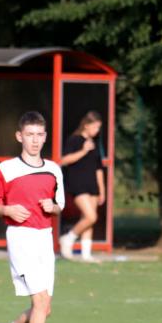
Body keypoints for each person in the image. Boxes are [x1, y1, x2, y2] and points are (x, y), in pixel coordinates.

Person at [0, 111, 65, 323]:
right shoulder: (6, 169)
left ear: (45, 136)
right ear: (19, 136)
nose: (35, 140)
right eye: (29, 135)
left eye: (39, 135)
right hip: (20, 238)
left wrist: (52, 206)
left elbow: (60, 205)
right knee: (40, 301)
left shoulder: (53, 169)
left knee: (44, 308)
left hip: (45, 239)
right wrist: (7, 210)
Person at [58, 111, 104, 262]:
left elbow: (98, 169)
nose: (97, 130)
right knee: (91, 216)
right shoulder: (74, 140)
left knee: (88, 219)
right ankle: (68, 238)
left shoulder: (95, 143)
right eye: (95, 127)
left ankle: (86, 255)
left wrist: (102, 190)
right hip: (78, 184)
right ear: (86, 125)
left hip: (93, 185)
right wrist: (84, 151)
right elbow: (64, 160)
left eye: (99, 127)